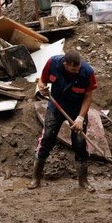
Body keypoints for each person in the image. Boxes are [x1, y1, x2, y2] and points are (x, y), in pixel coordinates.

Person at [29, 50, 98, 192]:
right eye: (73, 69)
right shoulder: (52, 63)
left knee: (80, 143)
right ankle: (35, 178)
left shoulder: (87, 72)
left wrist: (80, 118)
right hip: (56, 106)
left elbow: (88, 97)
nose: (76, 71)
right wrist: (42, 88)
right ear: (65, 64)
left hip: (77, 110)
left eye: (77, 69)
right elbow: (42, 81)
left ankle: (83, 181)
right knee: (47, 137)